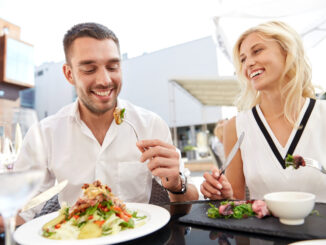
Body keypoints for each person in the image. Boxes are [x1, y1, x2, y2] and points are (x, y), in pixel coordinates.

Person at [0, 22, 198, 231]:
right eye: (89, 69)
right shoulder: (45, 133)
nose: (104, 80)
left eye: (113, 67)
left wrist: (177, 185)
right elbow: (23, 210)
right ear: (69, 74)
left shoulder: (151, 125)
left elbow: (186, 206)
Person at [201, 21, 326, 202]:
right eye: (243, 59)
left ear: (287, 52)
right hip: (261, 231)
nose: (249, 63)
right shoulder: (236, 127)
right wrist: (221, 194)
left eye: (257, 51)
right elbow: (235, 199)